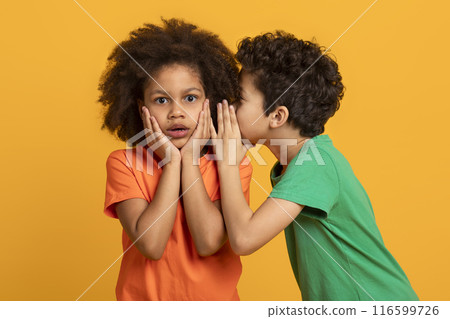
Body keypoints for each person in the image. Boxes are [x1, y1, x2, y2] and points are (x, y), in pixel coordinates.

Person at [211, 31, 419, 301]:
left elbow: (244, 239)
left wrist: (227, 160)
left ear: (276, 116)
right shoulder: (300, 161)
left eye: (239, 99)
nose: (228, 107)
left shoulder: (314, 165)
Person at [99, 18, 252, 301]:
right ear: (140, 107)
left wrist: (190, 161)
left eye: (190, 98)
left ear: (212, 101)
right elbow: (152, 244)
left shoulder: (233, 164)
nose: (177, 112)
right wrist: (172, 163)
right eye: (161, 100)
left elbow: (208, 242)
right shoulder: (124, 163)